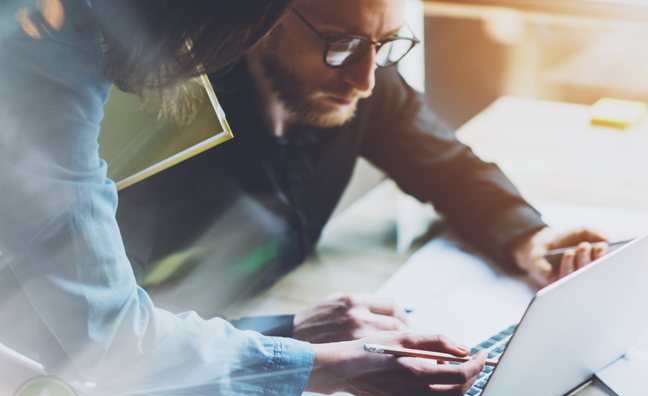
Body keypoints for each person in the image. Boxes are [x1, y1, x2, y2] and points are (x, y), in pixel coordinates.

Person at [0, 0, 484, 396]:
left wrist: (289, 336)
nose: (366, 81)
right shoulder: (44, 47)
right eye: (341, 42)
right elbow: (96, 337)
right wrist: (327, 366)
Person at [115, 0, 609, 337]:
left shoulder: (355, 78)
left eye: (385, 44)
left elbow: (448, 166)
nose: (366, 79)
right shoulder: (158, 136)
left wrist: (527, 238)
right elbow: (107, 331)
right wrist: (289, 333)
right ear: (260, 16)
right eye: (341, 43)